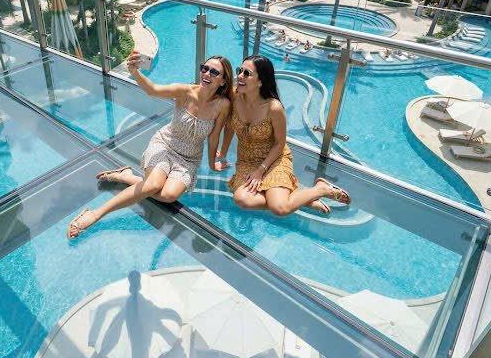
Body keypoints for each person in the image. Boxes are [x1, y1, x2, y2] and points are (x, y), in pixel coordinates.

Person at [67, 52, 233, 239]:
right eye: (205, 68)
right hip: (165, 145)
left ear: (223, 81)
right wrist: (134, 72)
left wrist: (212, 164)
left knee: (168, 195)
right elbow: (152, 89)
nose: (207, 74)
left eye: (214, 72)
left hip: (189, 158)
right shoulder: (185, 91)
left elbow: (214, 136)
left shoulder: (223, 105)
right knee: (152, 185)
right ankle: (96, 214)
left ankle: (126, 177)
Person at [218, 55, 351, 217]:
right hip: (246, 161)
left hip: (273, 160)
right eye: (240, 71)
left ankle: (320, 189)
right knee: (242, 199)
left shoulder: (274, 108)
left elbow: (279, 144)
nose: (240, 76)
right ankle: (300, 199)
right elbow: (229, 126)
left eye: (247, 73)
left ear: (260, 81)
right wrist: (223, 151)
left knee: (279, 209)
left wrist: (260, 170)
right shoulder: (234, 96)